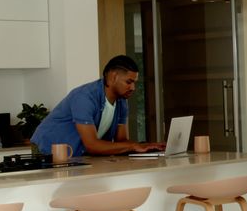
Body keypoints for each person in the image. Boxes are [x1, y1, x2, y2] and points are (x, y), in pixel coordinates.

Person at [31, 55, 165, 156]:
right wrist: (133, 147)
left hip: (76, 156)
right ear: (113, 77)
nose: (133, 87)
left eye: (134, 82)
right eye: (129, 82)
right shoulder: (84, 97)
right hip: (47, 150)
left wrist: (147, 147)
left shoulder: (121, 102)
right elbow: (92, 145)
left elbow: (121, 141)